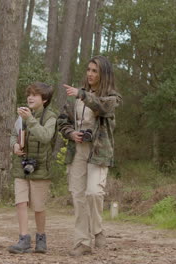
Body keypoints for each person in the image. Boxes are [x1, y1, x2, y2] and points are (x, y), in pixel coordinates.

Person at [57, 55, 122, 256]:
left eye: (95, 71)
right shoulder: (75, 97)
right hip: (77, 151)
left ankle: (97, 230)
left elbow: (102, 108)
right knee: (78, 197)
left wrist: (82, 94)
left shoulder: (112, 98)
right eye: (88, 70)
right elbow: (62, 121)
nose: (90, 74)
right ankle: (82, 242)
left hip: (98, 151)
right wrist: (70, 133)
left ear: (104, 74)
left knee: (93, 193)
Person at [8, 82, 57, 254]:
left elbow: (45, 137)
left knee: (38, 207)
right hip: (21, 167)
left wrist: (30, 119)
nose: (30, 97)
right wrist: (14, 146)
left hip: (40, 168)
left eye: (35, 95)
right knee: (20, 202)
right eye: (29, 94)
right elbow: (13, 135)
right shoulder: (21, 115)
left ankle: (41, 237)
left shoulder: (51, 117)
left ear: (44, 99)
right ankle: (24, 239)